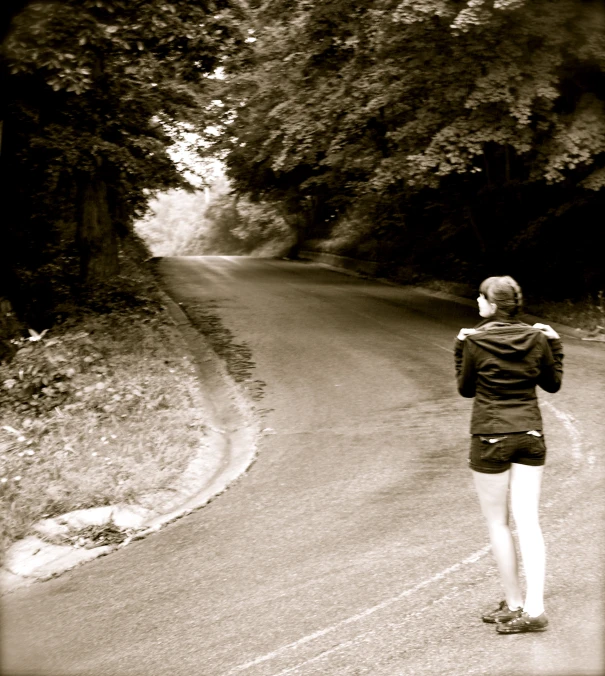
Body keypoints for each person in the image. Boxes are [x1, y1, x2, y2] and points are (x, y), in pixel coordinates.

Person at [454, 275, 564, 634]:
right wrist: (555, 344)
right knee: (528, 521)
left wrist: (460, 348)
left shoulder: (475, 340)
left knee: (498, 523)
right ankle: (534, 609)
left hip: (490, 436)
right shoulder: (537, 338)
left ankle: (515, 602)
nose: (477, 301)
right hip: (530, 434)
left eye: (481, 297)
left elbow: (466, 389)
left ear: (491, 304)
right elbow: (553, 383)